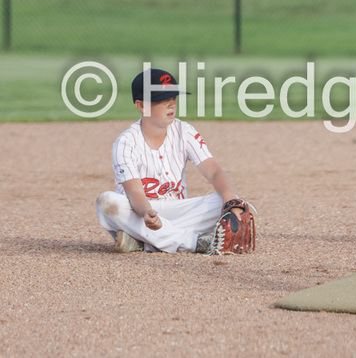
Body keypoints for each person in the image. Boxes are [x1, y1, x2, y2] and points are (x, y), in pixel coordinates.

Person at [95, 68, 249, 254]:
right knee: (107, 202)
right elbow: (134, 191)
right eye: (162, 100)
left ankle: (143, 241)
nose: (171, 105)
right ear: (142, 106)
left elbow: (214, 171)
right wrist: (146, 213)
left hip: (177, 211)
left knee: (225, 199)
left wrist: (230, 201)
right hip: (139, 212)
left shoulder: (185, 131)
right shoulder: (126, 143)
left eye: (173, 98)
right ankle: (195, 243)